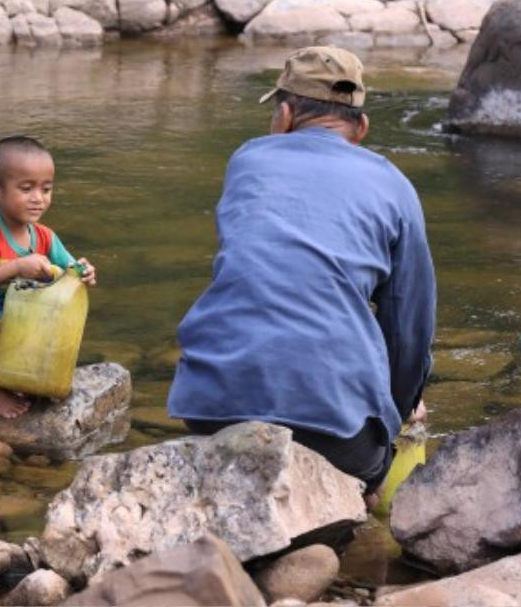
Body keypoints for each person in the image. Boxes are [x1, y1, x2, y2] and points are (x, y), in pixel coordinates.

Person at [166, 46, 436, 499]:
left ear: (285, 115)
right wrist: (402, 405)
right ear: (362, 128)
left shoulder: (248, 160)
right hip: (337, 439)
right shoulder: (394, 186)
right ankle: (351, 516)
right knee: (378, 461)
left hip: (211, 411)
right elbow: (410, 326)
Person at [0, 136, 97, 419]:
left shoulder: (44, 236)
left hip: (13, 326)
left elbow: (69, 272)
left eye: (46, 189)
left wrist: (84, 272)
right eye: (26, 188)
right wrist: (15, 267)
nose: (39, 198)